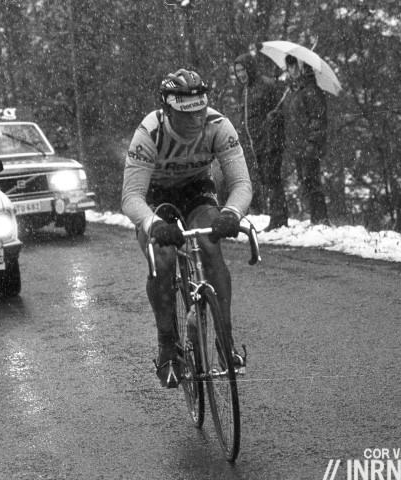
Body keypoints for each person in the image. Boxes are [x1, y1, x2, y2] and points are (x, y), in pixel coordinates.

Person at [121, 69, 253, 388]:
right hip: (155, 194)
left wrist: (232, 213)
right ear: (167, 111)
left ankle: (226, 343)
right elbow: (131, 197)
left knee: (210, 243)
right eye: (186, 113)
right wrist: (153, 225)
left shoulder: (218, 125)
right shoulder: (149, 133)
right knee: (162, 260)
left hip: (196, 189)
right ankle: (168, 346)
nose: (195, 120)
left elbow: (241, 183)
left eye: (199, 110)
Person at [234, 53, 289, 230]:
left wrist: (272, 123)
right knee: (266, 179)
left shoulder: (266, 85)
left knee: (272, 178)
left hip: (270, 140)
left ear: (250, 68)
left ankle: (278, 219)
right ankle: (277, 216)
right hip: (255, 143)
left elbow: (281, 111)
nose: (241, 74)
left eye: (243, 70)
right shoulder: (245, 89)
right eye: (237, 71)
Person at [280, 54, 330, 225]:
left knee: (312, 182)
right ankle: (315, 219)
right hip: (298, 146)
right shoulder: (293, 91)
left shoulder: (312, 90)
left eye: (294, 65)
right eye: (289, 66)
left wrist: (312, 143)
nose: (291, 70)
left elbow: (318, 120)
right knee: (305, 182)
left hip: (309, 146)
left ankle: (321, 220)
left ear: (302, 67)